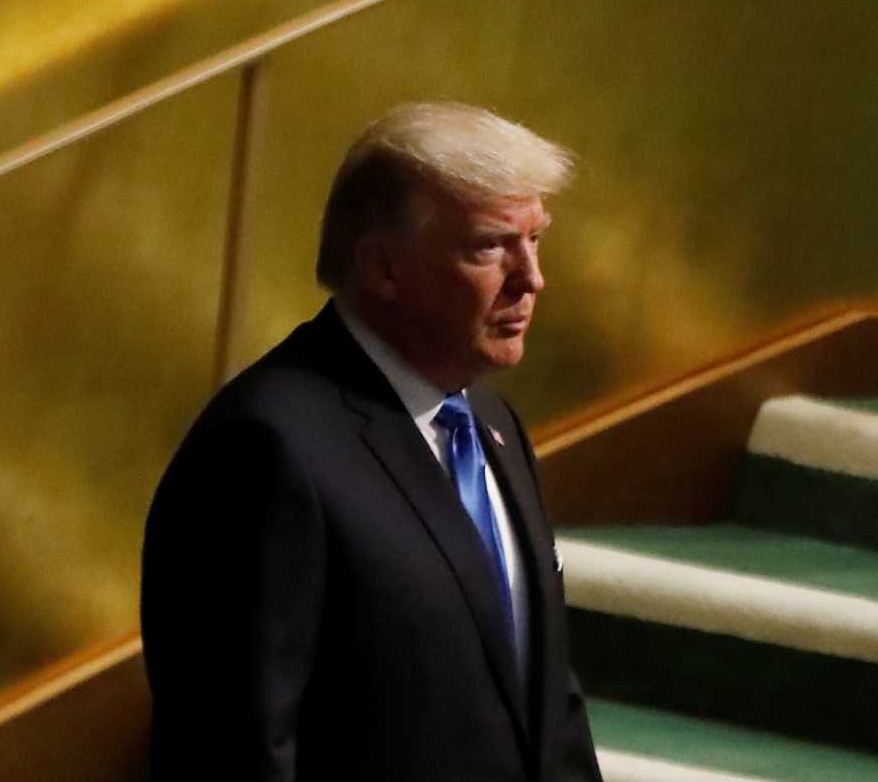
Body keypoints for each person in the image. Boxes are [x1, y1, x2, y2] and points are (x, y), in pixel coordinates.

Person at [140, 102, 602, 781]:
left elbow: (543, 699)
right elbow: (235, 750)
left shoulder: (494, 425)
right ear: (383, 268)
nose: (531, 277)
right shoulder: (265, 448)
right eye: (488, 246)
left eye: (536, 240)